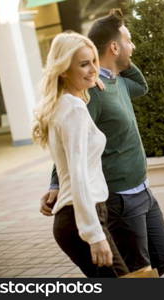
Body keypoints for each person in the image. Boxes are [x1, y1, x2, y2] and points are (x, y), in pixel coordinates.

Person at [39, 9, 164, 276]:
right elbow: (73, 160)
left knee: (161, 261)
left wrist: (113, 54)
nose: (133, 46)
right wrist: (57, 183)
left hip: (140, 190)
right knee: (138, 274)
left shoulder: (108, 86)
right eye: (128, 41)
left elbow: (142, 86)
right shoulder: (85, 100)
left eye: (92, 61)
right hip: (115, 199)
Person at [32, 32, 129, 277]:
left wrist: (87, 80)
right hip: (81, 217)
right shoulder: (73, 108)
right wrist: (94, 235)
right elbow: (79, 175)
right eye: (84, 64)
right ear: (64, 70)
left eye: (94, 62)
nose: (93, 70)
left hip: (77, 216)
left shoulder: (64, 103)